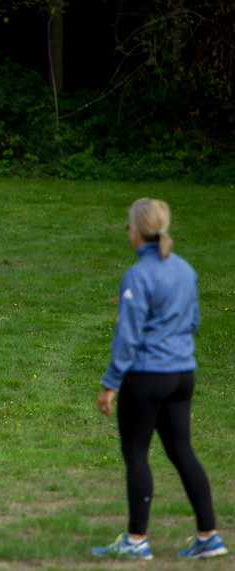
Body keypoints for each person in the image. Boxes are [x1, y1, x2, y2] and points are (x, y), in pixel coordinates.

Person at [92, 198, 227, 560]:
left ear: (135, 232)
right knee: (182, 451)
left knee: (136, 454)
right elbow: (193, 321)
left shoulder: (137, 276)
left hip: (146, 377)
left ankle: (136, 540)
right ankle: (209, 536)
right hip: (182, 375)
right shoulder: (184, 269)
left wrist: (110, 384)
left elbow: (128, 337)